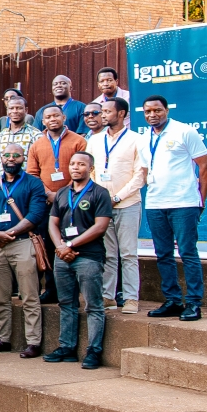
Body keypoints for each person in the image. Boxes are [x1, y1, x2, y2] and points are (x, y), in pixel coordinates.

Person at [140, 95, 207, 322]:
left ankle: (193, 303)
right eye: (148, 111)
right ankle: (172, 300)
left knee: (188, 252)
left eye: (157, 110)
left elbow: (205, 166)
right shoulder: (144, 138)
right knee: (163, 254)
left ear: (167, 110)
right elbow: (145, 171)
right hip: (155, 204)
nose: (153, 115)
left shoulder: (184, 131)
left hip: (183, 203)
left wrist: (200, 200)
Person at [44, 151, 113, 369]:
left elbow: (100, 227)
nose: (75, 167)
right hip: (62, 257)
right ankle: (67, 347)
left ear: (90, 169)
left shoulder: (99, 193)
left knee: (93, 305)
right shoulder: (63, 192)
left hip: (89, 257)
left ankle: (93, 351)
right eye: (72, 163)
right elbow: (52, 223)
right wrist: (60, 247)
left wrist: (70, 245)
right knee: (66, 303)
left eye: (81, 164)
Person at [0, 142, 47, 358]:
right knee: (1, 296)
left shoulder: (34, 184)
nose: (11, 159)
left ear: (23, 158)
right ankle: (3, 338)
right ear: (1, 157)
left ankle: (34, 342)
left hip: (22, 243)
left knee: (29, 295)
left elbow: (36, 214)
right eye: (7, 155)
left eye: (16, 155)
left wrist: (11, 233)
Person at [88, 97, 145, 313]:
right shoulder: (94, 140)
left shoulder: (137, 139)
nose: (101, 115)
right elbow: (90, 170)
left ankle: (131, 298)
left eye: (107, 111)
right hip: (102, 206)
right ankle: (107, 296)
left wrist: (118, 197)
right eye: (101, 111)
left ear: (121, 114)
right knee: (108, 253)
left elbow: (140, 175)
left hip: (127, 204)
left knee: (128, 253)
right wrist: (99, 197)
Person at [26, 104, 87, 302]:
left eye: (56, 115)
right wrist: (49, 194)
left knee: (73, 242)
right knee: (49, 244)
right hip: (46, 203)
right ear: (43, 121)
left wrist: (61, 193)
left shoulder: (78, 141)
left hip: (73, 201)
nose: (52, 119)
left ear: (64, 117)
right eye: (48, 117)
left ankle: (73, 292)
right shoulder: (37, 145)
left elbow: (83, 170)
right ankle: (51, 289)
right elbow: (32, 174)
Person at [0, 96, 42, 177]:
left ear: (26, 110)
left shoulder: (36, 136)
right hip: (2, 186)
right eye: (11, 108)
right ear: (7, 111)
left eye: (19, 108)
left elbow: (41, 164)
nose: (15, 111)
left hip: (27, 186)